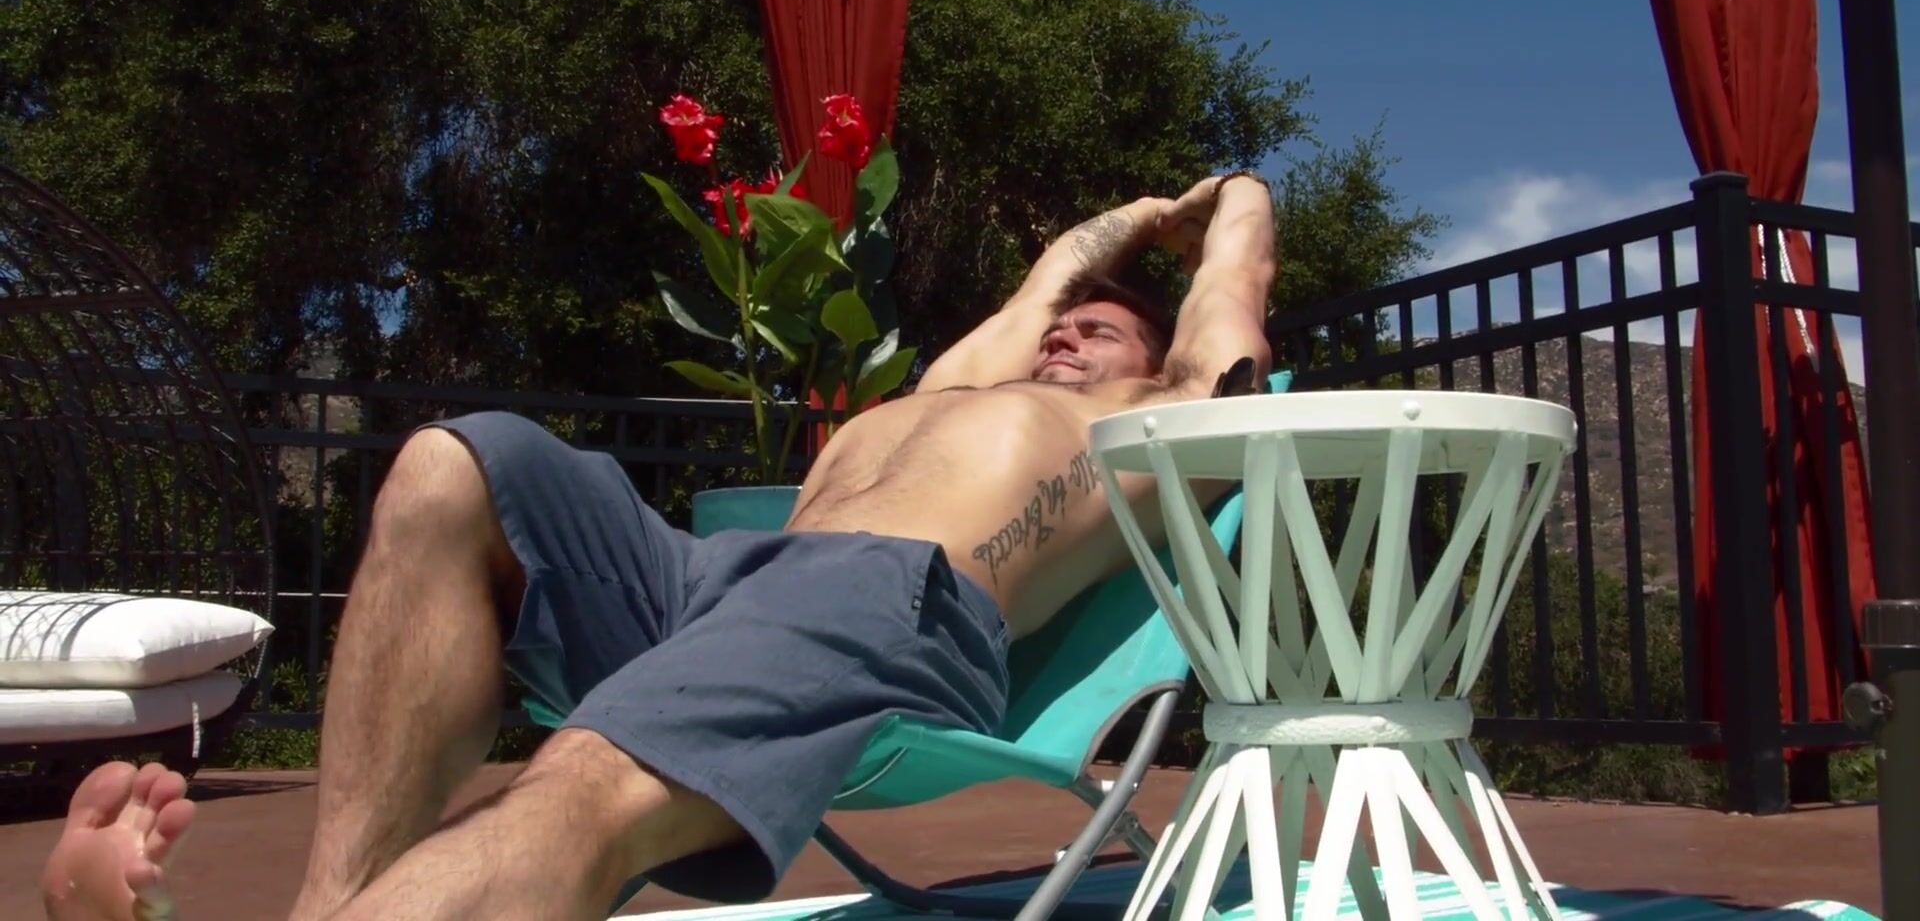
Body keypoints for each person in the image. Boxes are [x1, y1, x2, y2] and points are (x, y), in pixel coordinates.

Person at [41, 171, 1278, 921]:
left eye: (1102, 331)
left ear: (1154, 359)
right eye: (1064, 326)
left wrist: (1227, 200)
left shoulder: (1159, 417)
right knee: (451, 465)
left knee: (581, 780)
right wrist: (1108, 234)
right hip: (719, 585)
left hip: (890, 600)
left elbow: (1235, 286)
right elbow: (1034, 296)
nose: (1067, 336)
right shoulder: (961, 390)